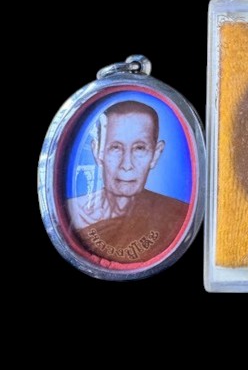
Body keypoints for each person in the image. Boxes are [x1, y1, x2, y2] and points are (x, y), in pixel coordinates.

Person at [67, 101, 189, 263]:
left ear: (155, 154)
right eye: (115, 148)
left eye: (139, 148)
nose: (126, 165)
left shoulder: (177, 214)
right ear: (97, 152)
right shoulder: (73, 213)